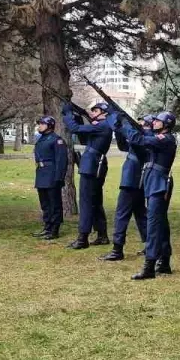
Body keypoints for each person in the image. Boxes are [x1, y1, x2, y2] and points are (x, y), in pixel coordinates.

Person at [113, 111, 177, 280]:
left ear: (166, 124)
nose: (154, 123)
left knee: (154, 225)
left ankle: (149, 265)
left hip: (159, 184)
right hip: (153, 182)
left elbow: (138, 139)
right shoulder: (158, 137)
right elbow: (140, 138)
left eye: (157, 121)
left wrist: (126, 124)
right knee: (160, 223)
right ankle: (164, 261)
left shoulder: (166, 139)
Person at [98, 114, 153, 262]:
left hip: (132, 181)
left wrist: (123, 124)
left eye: (142, 124)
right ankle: (150, 246)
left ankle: (117, 249)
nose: (140, 125)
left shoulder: (146, 138)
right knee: (141, 214)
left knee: (121, 214)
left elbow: (134, 139)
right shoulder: (143, 138)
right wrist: (118, 129)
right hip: (136, 181)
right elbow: (124, 146)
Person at [60, 101, 113, 250]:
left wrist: (68, 114)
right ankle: (102, 235)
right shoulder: (101, 126)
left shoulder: (102, 125)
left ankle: (82, 238)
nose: (93, 113)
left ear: (104, 114)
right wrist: (78, 115)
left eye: (96, 111)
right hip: (95, 164)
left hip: (92, 166)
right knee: (95, 201)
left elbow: (74, 129)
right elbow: (83, 136)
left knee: (86, 202)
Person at [31, 116, 68, 240]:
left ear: (50, 125)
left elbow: (61, 160)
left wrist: (59, 178)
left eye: (42, 124)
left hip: (52, 175)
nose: (39, 126)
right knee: (45, 204)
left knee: (54, 204)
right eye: (39, 124)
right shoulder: (42, 139)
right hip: (41, 174)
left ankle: (54, 230)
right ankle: (47, 227)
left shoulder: (57, 140)